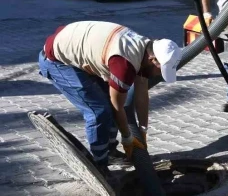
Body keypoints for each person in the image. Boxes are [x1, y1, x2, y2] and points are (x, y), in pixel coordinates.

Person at [37, 21, 183, 175]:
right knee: (99, 111)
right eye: (161, 70)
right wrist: (127, 137)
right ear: (153, 59)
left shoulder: (145, 50)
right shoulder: (125, 64)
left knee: (109, 104)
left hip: (77, 46)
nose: (159, 74)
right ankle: (100, 164)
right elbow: (117, 106)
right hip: (57, 61)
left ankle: (110, 152)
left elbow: (141, 96)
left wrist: (143, 130)